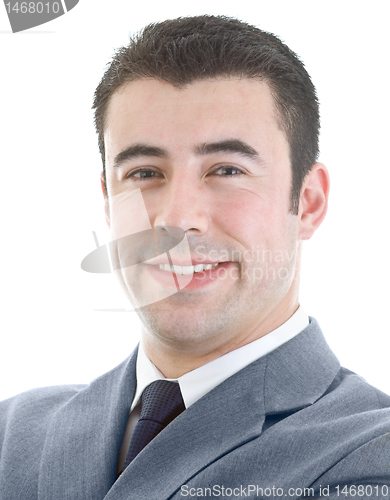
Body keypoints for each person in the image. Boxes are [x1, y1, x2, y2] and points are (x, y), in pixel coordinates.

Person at [1, 15, 389, 500]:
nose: (177, 217)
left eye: (226, 169)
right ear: (108, 202)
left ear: (308, 202)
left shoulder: (372, 458)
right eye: (144, 173)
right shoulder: (10, 433)